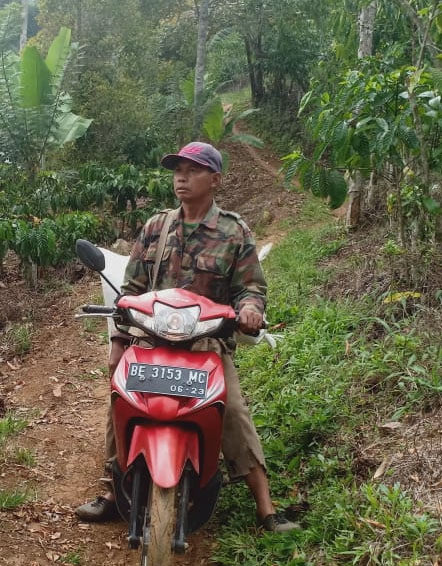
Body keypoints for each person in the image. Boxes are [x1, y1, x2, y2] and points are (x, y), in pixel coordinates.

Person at [75, 141, 301, 533]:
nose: (182, 176)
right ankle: (114, 492)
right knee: (121, 402)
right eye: (178, 169)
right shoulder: (156, 226)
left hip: (206, 343)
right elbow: (129, 291)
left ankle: (266, 507)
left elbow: (251, 288)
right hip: (151, 339)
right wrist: (118, 343)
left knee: (231, 411)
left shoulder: (234, 231)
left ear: (214, 179)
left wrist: (250, 310)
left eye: (193, 169)